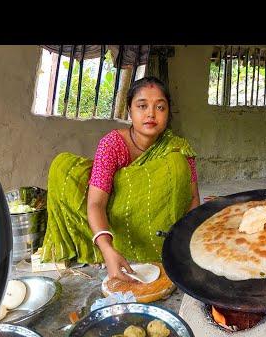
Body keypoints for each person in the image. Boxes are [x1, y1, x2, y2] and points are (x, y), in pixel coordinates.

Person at [41, 76, 200, 282]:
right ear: (129, 111)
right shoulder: (113, 144)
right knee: (63, 167)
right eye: (142, 106)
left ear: (168, 113)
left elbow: (193, 198)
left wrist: (183, 239)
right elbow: (96, 202)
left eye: (160, 107)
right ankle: (112, 245)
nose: (151, 113)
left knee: (176, 164)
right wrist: (106, 248)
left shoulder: (177, 149)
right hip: (116, 217)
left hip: (158, 227)